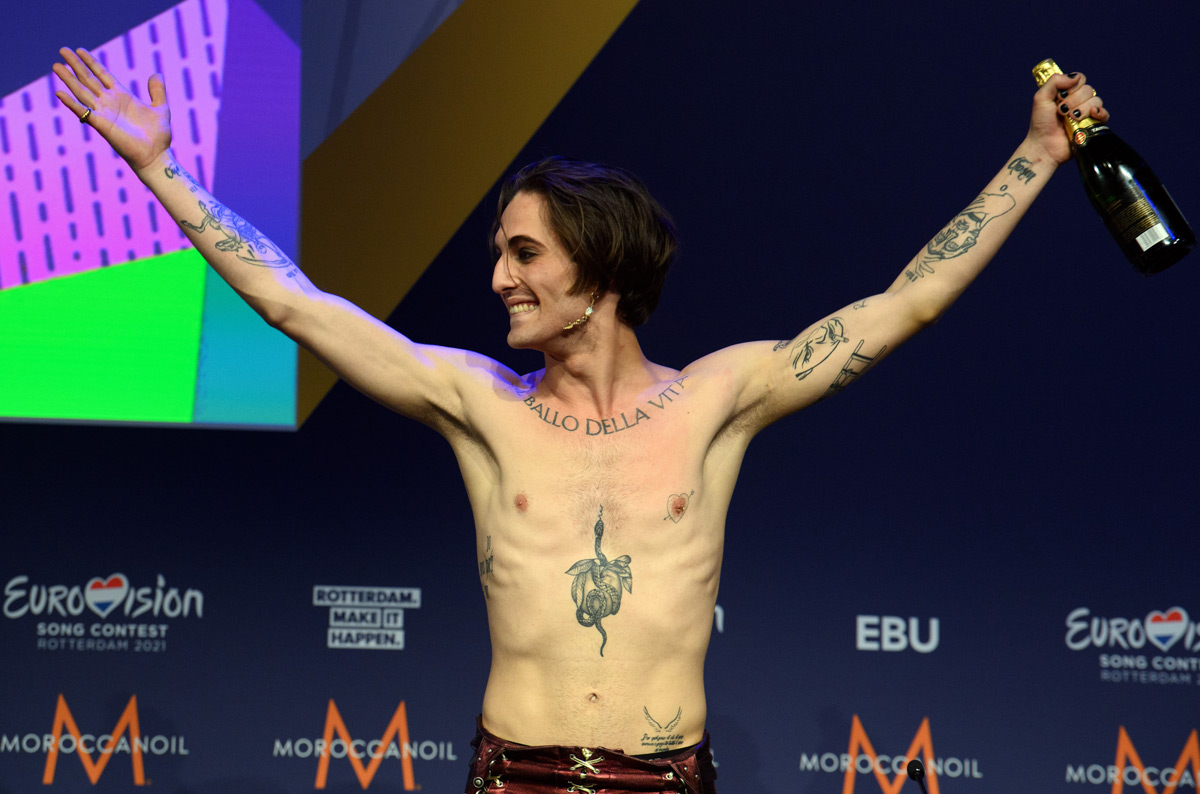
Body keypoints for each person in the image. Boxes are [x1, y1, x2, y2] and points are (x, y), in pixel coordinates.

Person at [51, 46, 1108, 794]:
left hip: (667, 779)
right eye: (499, 254)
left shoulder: (718, 398)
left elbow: (906, 302)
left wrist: (1036, 155)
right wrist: (161, 171)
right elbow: (294, 302)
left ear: (598, 269)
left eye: (525, 253)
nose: (499, 278)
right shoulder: (478, 402)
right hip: (513, 775)